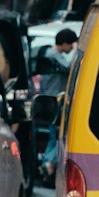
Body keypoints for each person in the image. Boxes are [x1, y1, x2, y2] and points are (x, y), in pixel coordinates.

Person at [37, 28, 78, 182]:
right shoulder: (54, 55)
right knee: (57, 135)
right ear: (66, 43)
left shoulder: (47, 54)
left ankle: (46, 163)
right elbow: (69, 66)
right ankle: (49, 163)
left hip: (48, 100)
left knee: (52, 136)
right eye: (71, 45)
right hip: (56, 102)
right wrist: (76, 51)